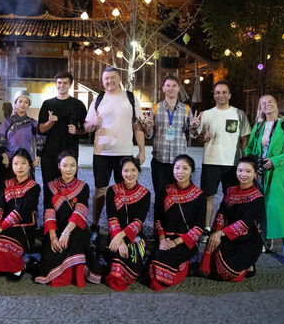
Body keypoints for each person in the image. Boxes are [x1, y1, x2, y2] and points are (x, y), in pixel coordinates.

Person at [84, 67, 146, 238]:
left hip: (124, 152)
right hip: (102, 152)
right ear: (103, 81)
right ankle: (95, 225)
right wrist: (93, 123)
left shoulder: (130, 98)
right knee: (100, 191)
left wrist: (142, 151)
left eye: (112, 78)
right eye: (106, 79)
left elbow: (138, 126)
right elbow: (86, 126)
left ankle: (124, 226)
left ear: (119, 79)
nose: (109, 81)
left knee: (125, 191)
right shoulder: (98, 99)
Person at [245, 94, 284, 265]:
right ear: (260, 108)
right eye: (263, 103)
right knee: (262, 208)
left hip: (278, 173)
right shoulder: (259, 126)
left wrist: (274, 161)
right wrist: (252, 167)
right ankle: (266, 241)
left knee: (283, 209)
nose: (267, 105)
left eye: (270, 102)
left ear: (276, 106)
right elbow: (250, 148)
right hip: (260, 173)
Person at [35, 151, 102, 287]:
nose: (69, 169)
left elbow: (79, 212)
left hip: (76, 227)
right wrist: (54, 237)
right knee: (50, 253)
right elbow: (49, 212)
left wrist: (66, 233)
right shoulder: (50, 186)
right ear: (59, 166)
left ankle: (77, 276)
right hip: (56, 228)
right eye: (65, 165)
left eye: (73, 165)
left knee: (76, 237)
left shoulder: (83, 187)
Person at [195, 81, 251, 242]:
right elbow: (197, 137)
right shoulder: (206, 114)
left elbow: (244, 139)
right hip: (211, 161)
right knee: (208, 197)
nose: (221, 95)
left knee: (231, 197)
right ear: (214, 95)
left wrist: (245, 161)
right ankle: (206, 228)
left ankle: (228, 228)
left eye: (224, 92)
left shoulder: (239, 114)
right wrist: (201, 137)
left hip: (232, 164)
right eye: (218, 92)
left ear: (230, 95)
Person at [144, 75, 200, 221]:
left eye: (174, 86)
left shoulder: (186, 109)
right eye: (168, 86)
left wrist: (194, 128)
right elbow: (149, 135)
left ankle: (174, 228)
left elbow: (192, 134)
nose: (171, 88)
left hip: (179, 163)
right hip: (160, 161)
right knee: (160, 196)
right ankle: (159, 232)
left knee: (178, 195)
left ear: (178, 89)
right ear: (163, 88)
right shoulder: (155, 108)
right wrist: (148, 126)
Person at [0, 148, 40, 280]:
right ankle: (6, 267)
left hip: (24, 228)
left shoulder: (34, 187)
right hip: (4, 227)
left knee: (0, 245)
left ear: (29, 165)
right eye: (16, 163)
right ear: (11, 165)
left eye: (23, 163)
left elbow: (20, 212)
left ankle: (18, 267)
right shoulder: (6, 184)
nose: (19, 167)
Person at [200, 156, 264, 280]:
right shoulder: (230, 191)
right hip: (229, 238)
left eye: (248, 171)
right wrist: (213, 235)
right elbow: (221, 215)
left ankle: (249, 263)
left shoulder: (258, 198)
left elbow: (244, 223)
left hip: (248, 240)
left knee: (226, 271)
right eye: (240, 170)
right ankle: (246, 265)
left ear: (255, 174)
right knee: (214, 264)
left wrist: (220, 234)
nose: (243, 174)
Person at [148, 155, 206, 290]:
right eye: (177, 168)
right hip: (166, 238)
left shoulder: (199, 195)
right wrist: (162, 239)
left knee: (161, 259)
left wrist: (175, 242)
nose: (180, 172)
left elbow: (198, 228)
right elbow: (158, 219)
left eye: (185, 168)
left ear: (191, 171)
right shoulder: (165, 191)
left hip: (186, 241)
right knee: (156, 258)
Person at [104, 156, 151, 291]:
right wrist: (119, 241)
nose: (129, 174)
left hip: (135, 237)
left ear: (138, 171)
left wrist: (121, 237)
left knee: (134, 264)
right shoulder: (112, 191)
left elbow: (138, 222)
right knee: (117, 260)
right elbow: (112, 218)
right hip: (114, 235)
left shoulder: (145, 193)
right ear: (121, 172)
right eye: (126, 171)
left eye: (133, 170)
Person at [38, 71, 87, 186]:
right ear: (56, 84)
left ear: (70, 85)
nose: (62, 85)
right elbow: (41, 129)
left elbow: (86, 129)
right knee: (49, 186)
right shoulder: (47, 104)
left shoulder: (78, 105)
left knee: (69, 186)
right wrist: (50, 122)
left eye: (65, 83)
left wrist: (77, 131)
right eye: (59, 82)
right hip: (49, 153)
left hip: (70, 151)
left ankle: (68, 205)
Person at [0, 90, 44, 179]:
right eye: (20, 101)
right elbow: (0, 140)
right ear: (15, 103)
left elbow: (40, 141)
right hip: (9, 160)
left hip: (27, 161)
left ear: (29, 105)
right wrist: (4, 156)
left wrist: (38, 158)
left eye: (26, 102)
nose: (23, 104)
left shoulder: (32, 123)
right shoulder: (7, 121)